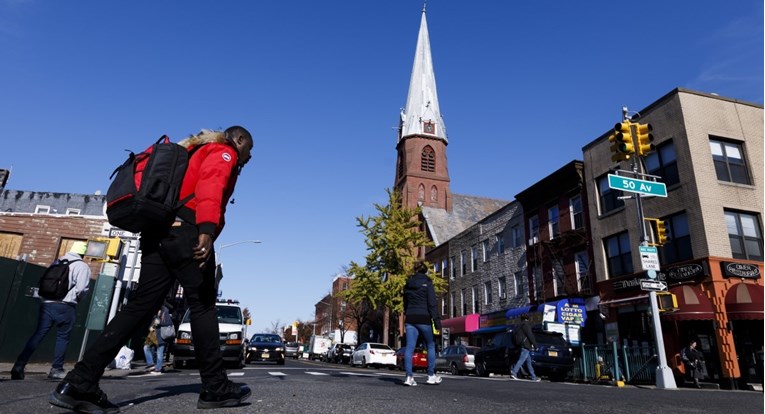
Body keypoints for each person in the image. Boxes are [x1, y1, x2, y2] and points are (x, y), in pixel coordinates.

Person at [49, 126, 254, 413]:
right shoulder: (222, 151)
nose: (249, 156)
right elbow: (211, 186)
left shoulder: (191, 150)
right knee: (204, 305)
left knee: (140, 307)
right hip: (187, 233)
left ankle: (79, 383)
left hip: (157, 234)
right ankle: (215, 388)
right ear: (239, 140)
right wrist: (206, 231)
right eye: (249, 149)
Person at [11, 241, 91, 381]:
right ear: (83, 253)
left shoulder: (57, 261)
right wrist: (77, 300)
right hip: (65, 306)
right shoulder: (82, 266)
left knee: (38, 335)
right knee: (62, 337)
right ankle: (56, 369)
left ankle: (19, 365)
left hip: (47, 304)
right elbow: (82, 288)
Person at [402, 260, 441, 386]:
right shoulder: (427, 282)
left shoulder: (408, 283)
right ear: (425, 270)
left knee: (409, 347)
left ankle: (409, 377)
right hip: (424, 318)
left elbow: (405, 302)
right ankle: (430, 375)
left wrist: (408, 312)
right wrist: (436, 321)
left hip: (410, 318)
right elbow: (432, 303)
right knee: (430, 345)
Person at [509, 313, 540, 382]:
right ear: (528, 318)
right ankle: (514, 372)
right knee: (521, 360)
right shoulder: (526, 325)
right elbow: (530, 336)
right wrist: (535, 345)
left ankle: (533, 376)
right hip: (526, 345)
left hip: (521, 345)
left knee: (528, 362)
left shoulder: (518, 325)